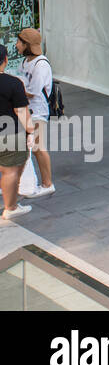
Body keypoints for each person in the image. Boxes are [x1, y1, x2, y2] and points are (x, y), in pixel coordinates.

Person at [14, 29, 53, 199]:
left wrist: (14, 90)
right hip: (26, 109)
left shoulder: (41, 64)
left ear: (26, 45)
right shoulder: (25, 62)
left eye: (19, 42)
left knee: (38, 147)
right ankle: (16, 183)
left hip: (37, 110)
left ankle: (47, 184)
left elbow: (34, 90)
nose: (16, 45)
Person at [0, 45, 31, 222]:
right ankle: (10, 207)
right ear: (5, 60)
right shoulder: (13, 84)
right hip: (10, 133)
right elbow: (22, 111)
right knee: (10, 170)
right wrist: (31, 131)